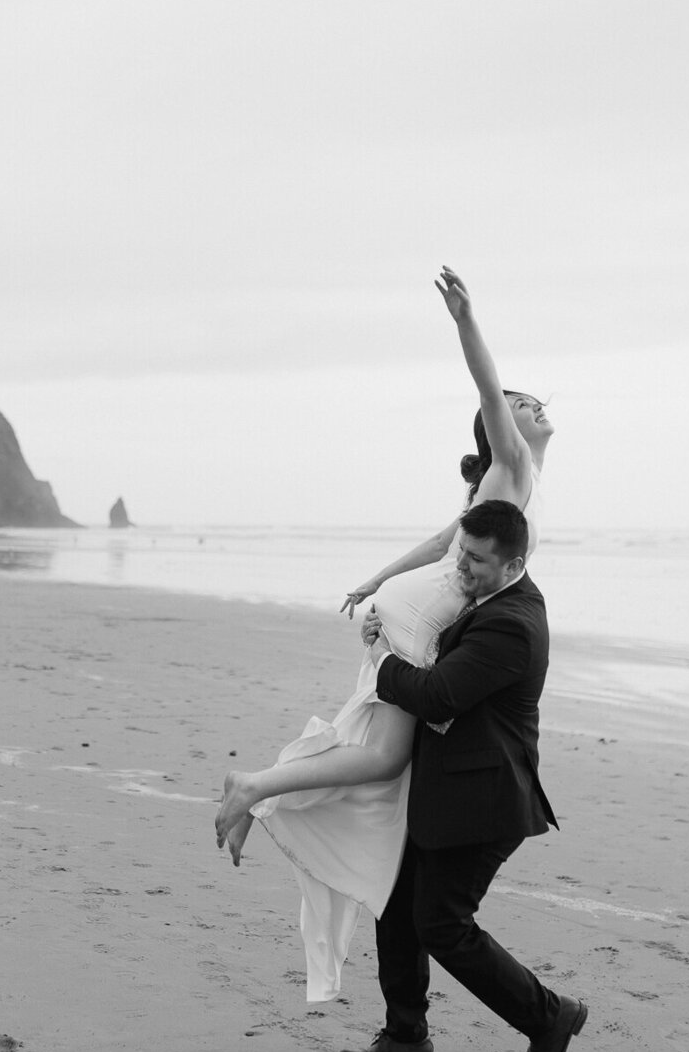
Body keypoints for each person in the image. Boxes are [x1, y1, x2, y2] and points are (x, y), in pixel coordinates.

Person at [213, 268, 555, 1000]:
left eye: (536, 403)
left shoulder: (500, 497)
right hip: (412, 627)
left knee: (374, 758)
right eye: (525, 405)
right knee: (375, 761)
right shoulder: (513, 465)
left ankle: (264, 793)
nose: (534, 407)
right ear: (505, 428)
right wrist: (467, 319)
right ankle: (257, 789)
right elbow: (490, 391)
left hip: (408, 615)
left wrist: (375, 579)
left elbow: (441, 544)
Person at [337, 496, 586, 1052]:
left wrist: (379, 655)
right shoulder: (488, 597)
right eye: (461, 553)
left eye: (474, 560)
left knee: (443, 925)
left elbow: (437, 695)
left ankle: (551, 1017)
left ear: (512, 563)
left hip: (486, 802)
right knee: (396, 904)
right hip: (449, 787)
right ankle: (405, 1037)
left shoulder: (511, 624)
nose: (461, 568)